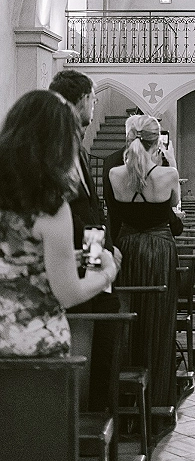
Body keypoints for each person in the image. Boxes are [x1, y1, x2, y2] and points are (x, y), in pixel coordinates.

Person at [0, 90, 118, 356]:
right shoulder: (49, 206)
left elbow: (15, 262)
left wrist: (65, 258)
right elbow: (68, 293)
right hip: (31, 344)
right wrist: (106, 272)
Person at [49, 69, 122, 409]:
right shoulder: (61, 144)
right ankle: (91, 409)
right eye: (92, 99)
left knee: (104, 314)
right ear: (80, 100)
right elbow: (73, 210)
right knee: (95, 319)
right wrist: (101, 255)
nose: (94, 106)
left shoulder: (72, 140)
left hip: (90, 246)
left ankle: (99, 406)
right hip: (82, 251)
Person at [108, 114, 180, 411]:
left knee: (129, 319)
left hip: (128, 247)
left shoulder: (115, 174)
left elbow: (115, 214)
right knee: (160, 322)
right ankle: (159, 399)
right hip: (159, 248)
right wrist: (169, 160)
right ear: (158, 141)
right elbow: (175, 205)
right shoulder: (168, 174)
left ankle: (126, 402)